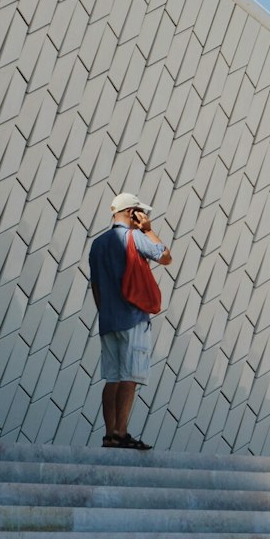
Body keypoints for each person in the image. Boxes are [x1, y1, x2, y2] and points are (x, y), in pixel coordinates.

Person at [88, 192, 172, 450]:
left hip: (109, 318)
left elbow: (96, 285)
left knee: (112, 377)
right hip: (132, 317)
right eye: (140, 212)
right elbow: (165, 256)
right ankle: (121, 433)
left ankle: (109, 434)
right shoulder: (134, 237)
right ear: (131, 212)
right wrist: (148, 230)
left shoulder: (98, 244)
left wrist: (104, 310)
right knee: (130, 376)